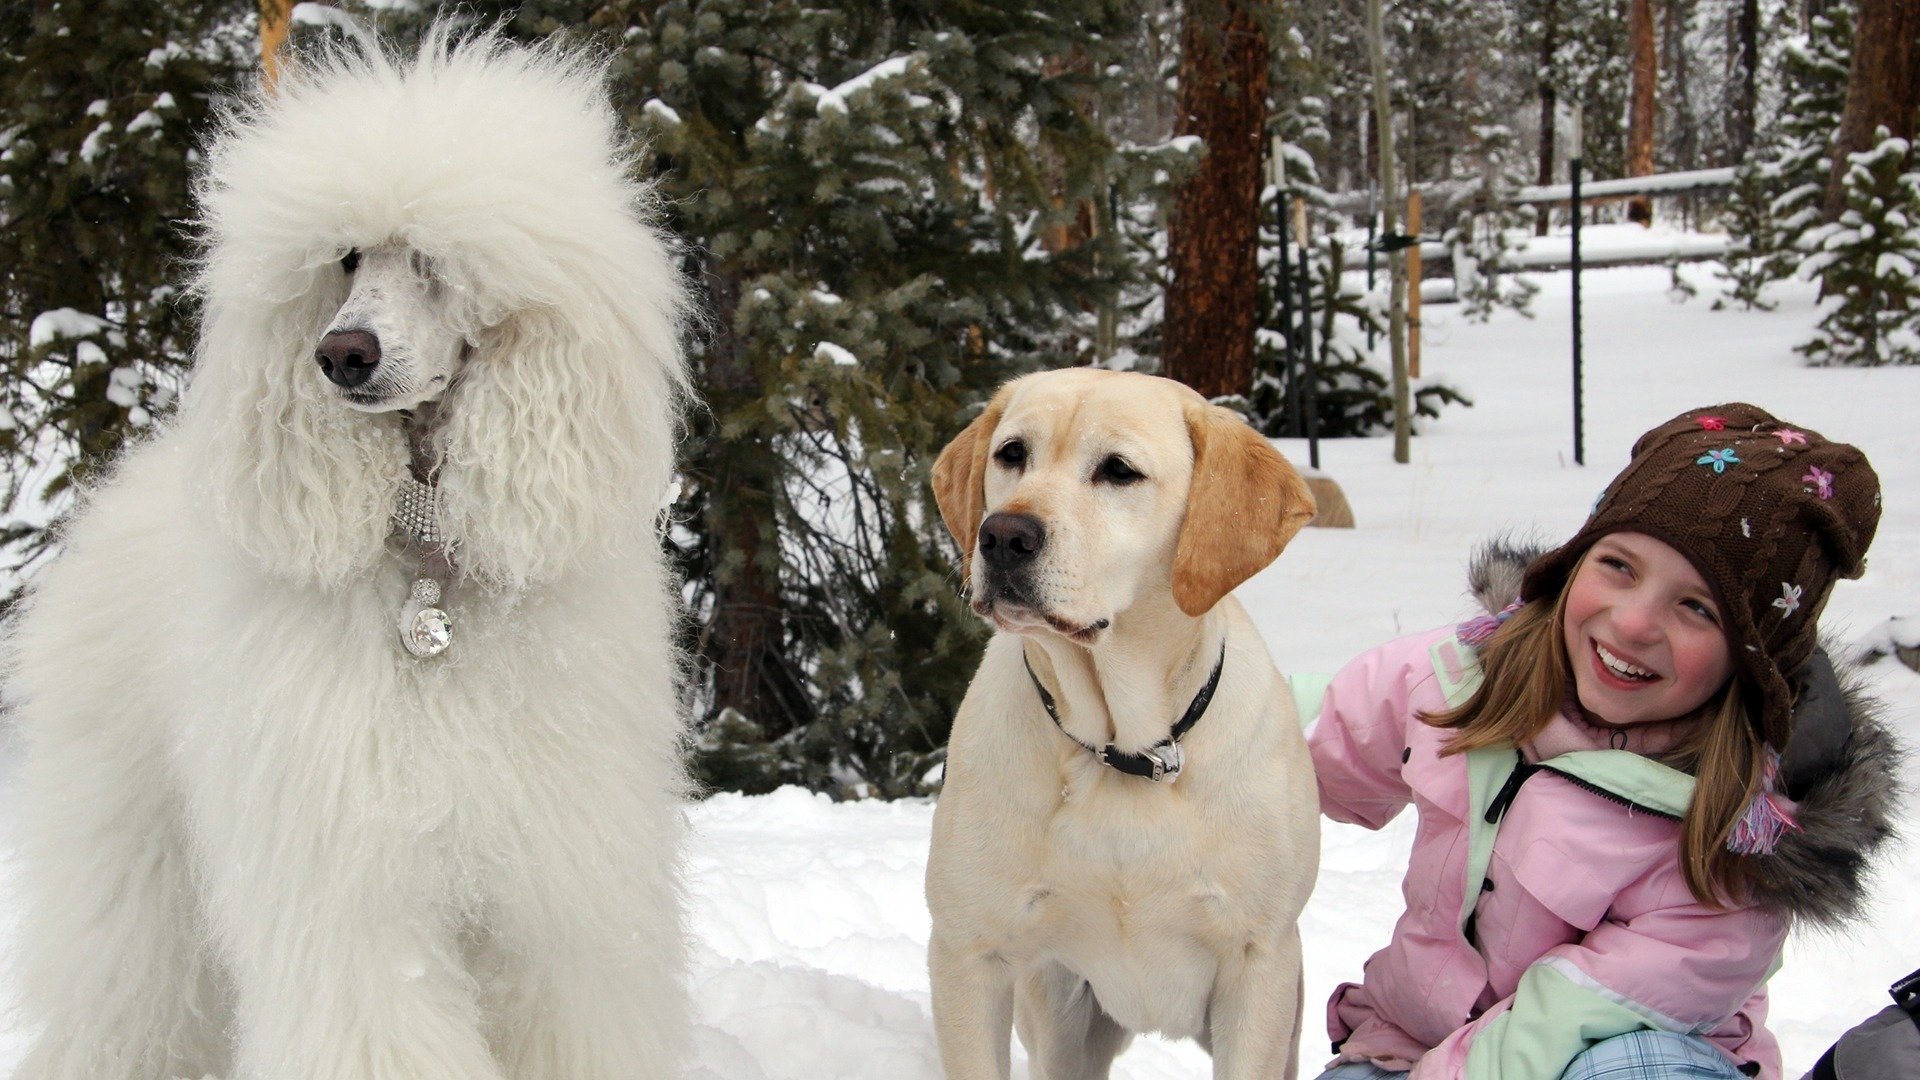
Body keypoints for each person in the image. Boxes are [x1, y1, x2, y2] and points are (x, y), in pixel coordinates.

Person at [1305, 403, 1898, 1080]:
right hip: (1408, 1046)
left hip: (1629, 1056)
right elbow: (1289, 743)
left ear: (1750, 661)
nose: (1634, 622)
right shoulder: (1461, 677)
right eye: (1618, 566)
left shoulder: (1740, 835)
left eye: (1697, 607)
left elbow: (1568, 1020)